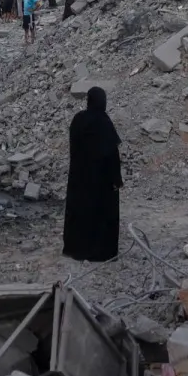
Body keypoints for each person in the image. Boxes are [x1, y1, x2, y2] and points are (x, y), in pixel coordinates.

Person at [63, 87, 122, 262]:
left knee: (79, 212)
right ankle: (101, 252)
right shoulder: (103, 122)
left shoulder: (78, 120)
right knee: (102, 214)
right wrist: (116, 179)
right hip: (101, 182)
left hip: (79, 178)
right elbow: (111, 153)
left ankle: (75, 249)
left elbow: (74, 147)